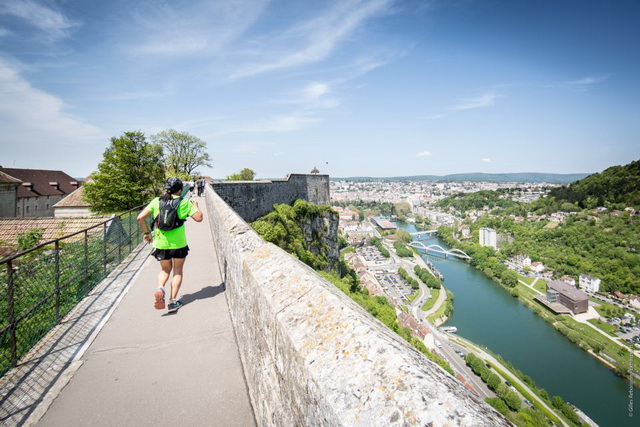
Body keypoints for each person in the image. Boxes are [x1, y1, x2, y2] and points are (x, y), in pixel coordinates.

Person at [137, 177, 203, 312]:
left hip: (161, 243)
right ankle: (173, 302)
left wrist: (146, 233)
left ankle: (160, 288)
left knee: (165, 270)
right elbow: (199, 218)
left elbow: (140, 218)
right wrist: (196, 207)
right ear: (180, 190)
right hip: (179, 244)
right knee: (177, 271)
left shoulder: (157, 201)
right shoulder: (184, 202)